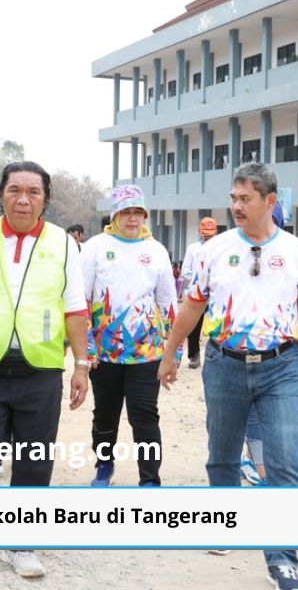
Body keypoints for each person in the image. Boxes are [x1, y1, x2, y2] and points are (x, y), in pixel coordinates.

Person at [160, 162, 298, 590]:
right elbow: (192, 307)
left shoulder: (296, 252)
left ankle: (283, 560)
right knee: (222, 453)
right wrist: (169, 351)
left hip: (281, 368)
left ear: (270, 202)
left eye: (245, 199)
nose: (236, 206)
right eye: (233, 198)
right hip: (224, 365)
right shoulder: (211, 250)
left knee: (285, 463)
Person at [0, 161, 89, 580]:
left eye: (33, 192)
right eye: (15, 190)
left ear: (45, 198)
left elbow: (75, 306)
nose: (23, 199)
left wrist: (81, 365)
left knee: (34, 460)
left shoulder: (63, 243)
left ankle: (21, 539)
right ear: (2, 193)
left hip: (40, 369)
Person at [82, 185, 175, 487]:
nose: (133, 218)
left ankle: (150, 479)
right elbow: (80, 299)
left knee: (145, 416)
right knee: (105, 415)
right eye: (126, 212)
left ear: (144, 215)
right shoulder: (95, 246)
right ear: (115, 214)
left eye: (138, 212)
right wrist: (86, 347)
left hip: (147, 353)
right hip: (104, 352)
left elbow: (168, 302)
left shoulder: (156, 250)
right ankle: (104, 466)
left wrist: (174, 350)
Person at [179, 217, 219, 369]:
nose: (208, 237)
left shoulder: (221, 248)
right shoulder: (193, 249)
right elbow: (185, 271)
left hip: (215, 294)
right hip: (196, 293)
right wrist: (200, 280)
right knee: (193, 325)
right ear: (200, 232)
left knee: (216, 324)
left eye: (211, 234)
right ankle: (194, 355)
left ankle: (215, 355)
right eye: (205, 233)